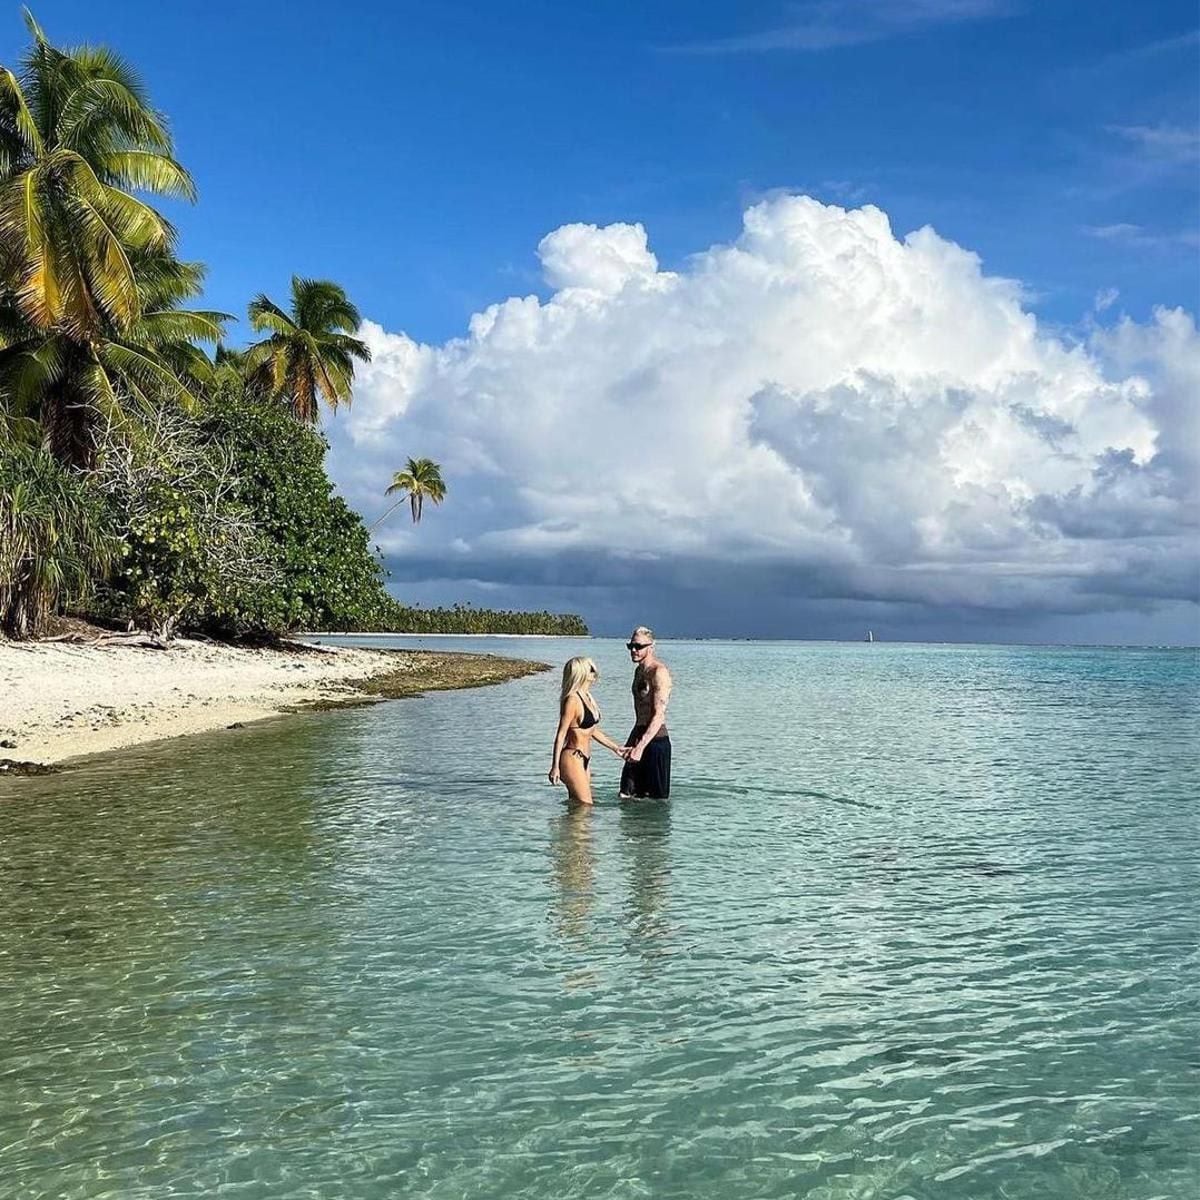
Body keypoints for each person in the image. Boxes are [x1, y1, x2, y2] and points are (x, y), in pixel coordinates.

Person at [548, 657, 628, 806]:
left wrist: (616, 748)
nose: (595, 673)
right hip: (572, 758)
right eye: (591, 670)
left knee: (578, 806)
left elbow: (592, 730)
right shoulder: (572, 700)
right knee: (586, 806)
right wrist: (555, 767)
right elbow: (561, 734)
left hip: (584, 759)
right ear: (581, 673)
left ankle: (568, 829)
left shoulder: (588, 697)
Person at [620, 626, 673, 799]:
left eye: (638, 646)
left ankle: (653, 828)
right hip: (639, 735)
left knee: (656, 802)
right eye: (631, 646)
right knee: (626, 795)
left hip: (656, 742)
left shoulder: (659, 673)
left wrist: (640, 747)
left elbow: (659, 715)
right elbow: (640, 714)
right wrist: (631, 742)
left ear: (651, 646)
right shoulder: (638, 672)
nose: (633, 650)